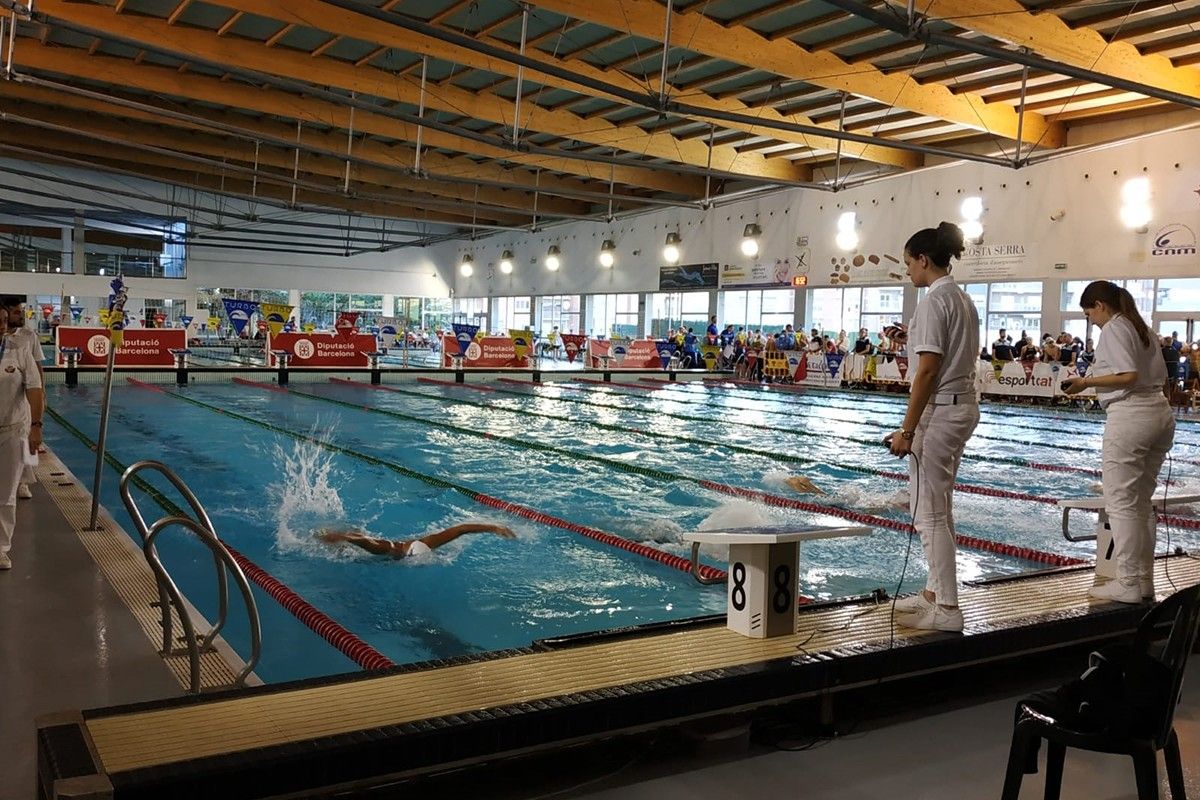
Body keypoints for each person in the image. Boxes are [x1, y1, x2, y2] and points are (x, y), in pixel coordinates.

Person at [885, 222, 979, 633]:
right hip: (962, 407)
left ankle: (948, 607)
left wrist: (906, 431)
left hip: (940, 413)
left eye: (909, 263)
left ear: (924, 260)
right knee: (940, 508)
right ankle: (932, 593)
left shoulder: (932, 302)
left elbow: (925, 371)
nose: (908, 271)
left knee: (929, 514)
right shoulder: (963, 299)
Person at [1061, 281, 1175, 604]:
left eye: (1089, 313)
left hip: (1131, 417)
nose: (1091, 321)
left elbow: (1127, 376)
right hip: (1159, 414)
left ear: (1100, 305)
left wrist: (1085, 382)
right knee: (1141, 504)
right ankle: (1143, 582)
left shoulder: (1113, 328)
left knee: (1121, 503)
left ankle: (1127, 582)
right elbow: (1159, 378)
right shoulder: (1143, 329)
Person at [0, 310, 45, 570]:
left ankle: (2, 548)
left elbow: (34, 387)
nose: (2, 327)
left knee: (6, 494)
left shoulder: (19, 348)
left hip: (13, 429)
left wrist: (36, 427)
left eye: (4, 322)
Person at [2, 296, 43, 501]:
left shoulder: (28, 335)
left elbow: (37, 366)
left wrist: (41, 393)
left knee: (28, 437)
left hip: (25, 395)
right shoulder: (6, 340)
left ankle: (25, 481)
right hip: (9, 395)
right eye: (17, 311)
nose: (21, 315)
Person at [319, 522, 515, 559]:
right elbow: (364, 541)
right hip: (371, 546)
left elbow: (461, 529)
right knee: (346, 547)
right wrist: (340, 537)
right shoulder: (389, 550)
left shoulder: (427, 543)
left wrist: (494, 528)